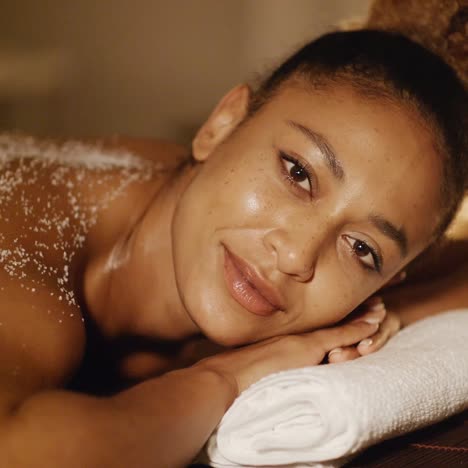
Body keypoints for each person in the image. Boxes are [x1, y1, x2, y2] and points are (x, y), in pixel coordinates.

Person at [0, 9, 467, 468]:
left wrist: (381, 318)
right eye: (298, 173)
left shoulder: (215, 217)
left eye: (363, 250)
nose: (296, 255)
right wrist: (223, 379)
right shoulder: (27, 248)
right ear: (220, 126)